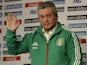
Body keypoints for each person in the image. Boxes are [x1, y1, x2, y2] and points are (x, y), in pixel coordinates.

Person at [6, 1, 83, 65]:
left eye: (48, 16)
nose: (45, 20)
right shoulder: (32, 36)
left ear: (56, 16)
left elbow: (77, 61)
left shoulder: (68, 34)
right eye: (42, 17)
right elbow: (13, 50)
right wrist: (11, 32)